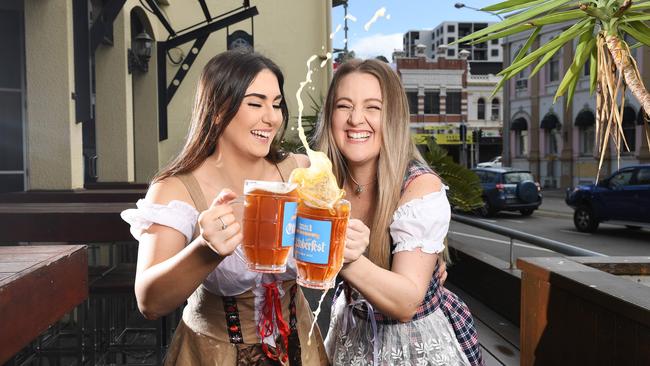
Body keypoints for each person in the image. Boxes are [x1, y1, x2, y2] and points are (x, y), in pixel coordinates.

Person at [121, 49, 329, 365]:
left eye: (276, 104)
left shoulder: (297, 170)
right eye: (256, 103)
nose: (272, 117)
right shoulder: (176, 188)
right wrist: (205, 249)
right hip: (213, 354)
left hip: (301, 349)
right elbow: (149, 301)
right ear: (218, 109)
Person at [315, 59, 482, 365]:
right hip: (352, 328)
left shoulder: (420, 187)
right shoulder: (323, 182)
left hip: (412, 343)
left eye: (372, 107)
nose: (356, 119)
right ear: (330, 116)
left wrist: (338, 255)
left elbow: (405, 302)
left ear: (392, 117)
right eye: (344, 106)